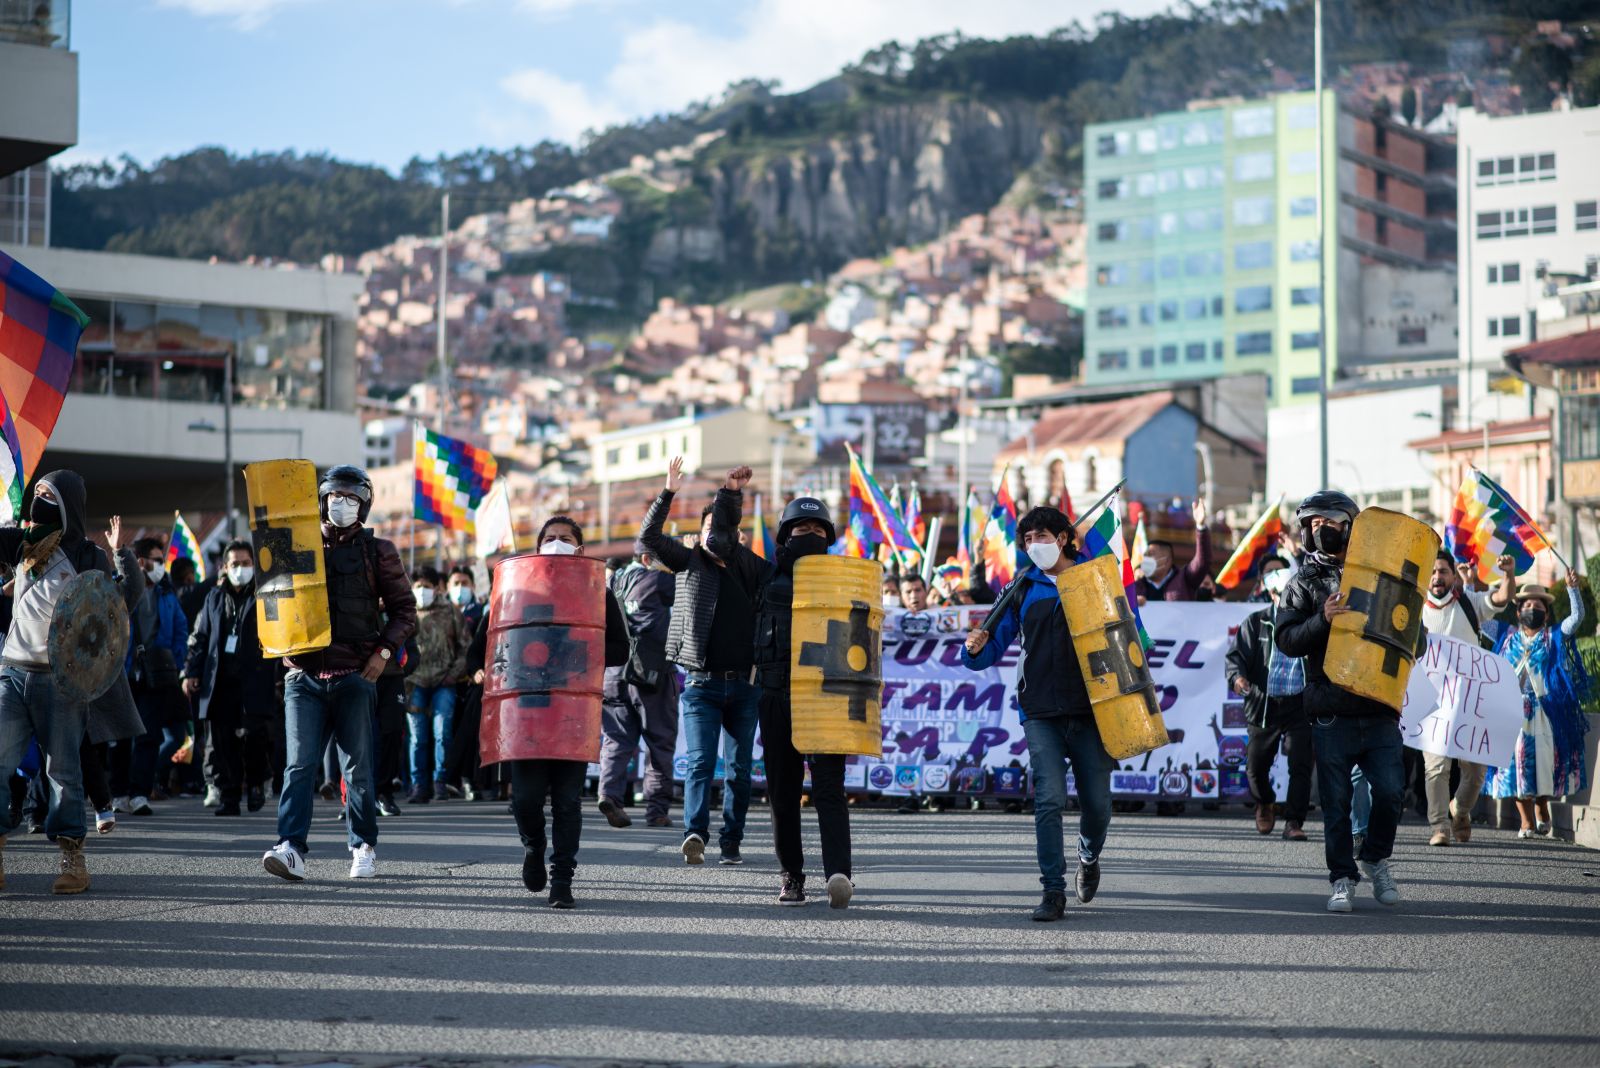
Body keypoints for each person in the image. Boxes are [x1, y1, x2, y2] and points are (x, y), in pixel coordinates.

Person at [262, 465, 416, 882]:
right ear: (322, 499)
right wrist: (280, 648)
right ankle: (290, 847)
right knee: (299, 766)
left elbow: (405, 611)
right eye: (334, 495)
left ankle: (362, 846)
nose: (341, 504)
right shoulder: (294, 545)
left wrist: (383, 653)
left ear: (364, 505)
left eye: (351, 497)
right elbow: (272, 603)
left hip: (355, 676)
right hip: (303, 677)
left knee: (357, 769)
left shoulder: (378, 550)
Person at [961, 506, 1111, 922]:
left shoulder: (1096, 577)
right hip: (1039, 710)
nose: (1033, 545)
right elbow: (991, 645)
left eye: (1041, 536)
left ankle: (1088, 854)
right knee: (1048, 800)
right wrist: (972, 649)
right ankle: (1053, 891)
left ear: (1063, 538)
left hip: (1092, 710)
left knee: (1097, 806)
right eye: (1026, 540)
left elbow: (1126, 633)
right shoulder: (1020, 587)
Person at [0, 474, 144, 895]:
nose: (38, 503)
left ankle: (71, 858)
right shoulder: (23, 544)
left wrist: (122, 555)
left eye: (48, 497)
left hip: (59, 684)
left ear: (69, 506)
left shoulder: (88, 556)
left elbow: (123, 602)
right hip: (10, 672)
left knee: (62, 771)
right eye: (37, 495)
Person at [718, 489, 855, 908]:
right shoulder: (762, 575)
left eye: (818, 529)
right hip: (776, 697)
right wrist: (731, 495)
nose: (809, 534)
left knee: (830, 789)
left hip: (828, 699)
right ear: (784, 535)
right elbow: (720, 543)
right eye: (801, 528)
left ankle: (838, 875)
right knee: (783, 793)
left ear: (829, 537)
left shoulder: (846, 579)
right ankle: (791, 877)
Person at [1275, 490, 1404, 913]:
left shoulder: (1382, 574)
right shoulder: (1302, 583)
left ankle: (1374, 857)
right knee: (1336, 805)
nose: (1319, 531)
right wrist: (1322, 619)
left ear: (1350, 525)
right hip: (1330, 710)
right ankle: (1342, 879)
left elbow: (1407, 629)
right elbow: (1287, 639)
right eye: (1312, 525)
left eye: (1328, 523)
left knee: (1390, 793)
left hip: (1380, 706)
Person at [636, 457, 761, 866]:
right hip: (702, 685)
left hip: (745, 686)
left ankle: (732, 841)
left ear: (737, 535)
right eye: (707, 529)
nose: (715, 536)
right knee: (702, 762)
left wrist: (731, 496)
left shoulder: (752, 568)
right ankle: (695, 833)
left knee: (740, 772)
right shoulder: (690, 562)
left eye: (721, 529)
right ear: (699, 535)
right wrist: (669, 490)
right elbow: (649, 536)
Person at [507, 516, 628, 908]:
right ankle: (533, 845)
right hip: (528, 709)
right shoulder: (519, 585)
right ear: (538, 545)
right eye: (549, 538)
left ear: (579, 549)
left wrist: (580, 658)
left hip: (573, 709)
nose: (556, 543)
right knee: (525, 800)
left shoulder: (598, 592)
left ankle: (562, 879)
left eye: (565, 539)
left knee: (567, 801)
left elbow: (620, 649)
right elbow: (489, 642)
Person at [1421, 550, 1514, 845]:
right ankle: (1439, 826)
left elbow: (1500, 599)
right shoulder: (1414, 608)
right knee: (1436, 767)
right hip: (1431, 702)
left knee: (1474, 773)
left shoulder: (1468, 602)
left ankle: (1460, 810)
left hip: (1470, 702)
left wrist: (1508, 575)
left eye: (1443, 571)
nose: (1437, 578)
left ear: (1453, 575)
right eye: (1433, 572)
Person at [1489, 574, 1590, 838]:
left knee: (1545, 767)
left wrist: (1572, 589)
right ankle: (1526, 821)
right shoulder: (1504, 635)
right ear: (1518, 610)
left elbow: (1576, 618)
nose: (1532, 610)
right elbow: (1478, 619)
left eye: (1538, 607)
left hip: (1546, 712)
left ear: (1546, 614)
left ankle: (1543, 807)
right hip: (1511, 713)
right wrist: (1472, 585)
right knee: (1513, 768)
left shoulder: (1554, 636)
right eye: (1527, 606)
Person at [182, 540, 277, 817]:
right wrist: (192, 672)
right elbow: (200, 637)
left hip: (254, 679)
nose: (240, 569)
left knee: (256, 737)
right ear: (225, 567)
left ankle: (257, 783)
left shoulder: (265, 595)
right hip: (220, 681)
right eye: (235, 564)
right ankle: (230, 796)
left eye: (246, 564)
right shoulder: (212, 597)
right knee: (223, 742)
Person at [1225, 557, 1312, 841]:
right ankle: (1265, 801)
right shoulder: (1256, 621)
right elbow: (1235, 657)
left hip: (1300, 703)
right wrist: (1237, 678)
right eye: (1281, 591)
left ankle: (1294, 822)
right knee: (1256, 767)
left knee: (1300, 763)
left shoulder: (1308, 620)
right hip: (1263, 704)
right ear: (1271, 592)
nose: (1286, 596)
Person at [597, 546, 678, 831]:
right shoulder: (658, 580)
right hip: (650, 673)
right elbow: (694, 585)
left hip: (613, 672)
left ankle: (609, 795)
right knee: (660, 742)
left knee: (616, 739)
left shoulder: (613, 581)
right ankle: (656, 810)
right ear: (646, 560)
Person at [110, 537, 190, 813]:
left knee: (150, 735)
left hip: (156, 674)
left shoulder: (166, 592)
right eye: (156, 560)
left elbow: (181, 627)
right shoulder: (120, 588)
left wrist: (173, 661)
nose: (161, 565)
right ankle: (118, 793)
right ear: (140, 562)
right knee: (121, 735)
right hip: (123, 671)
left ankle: (139, 793)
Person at [405, 565, 469, 804]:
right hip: (414, 682)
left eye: (427, 586)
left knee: (442, 732)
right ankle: (418, 785)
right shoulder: (405, 611)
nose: (422, 591)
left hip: (445, 681)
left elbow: (465, 647)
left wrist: (454, 674)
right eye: (418, 586)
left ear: (437, 588)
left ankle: (441, 782)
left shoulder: (450, 612)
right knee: (417, 737)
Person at [1135, 499, 1212, 603]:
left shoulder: (1185, 579)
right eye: (1145, 555)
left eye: (1151, 555)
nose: (1145, 559)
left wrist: (1201, 527)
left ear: (1166, 561)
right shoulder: (1136, 585)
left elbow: (1202, 562)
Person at [446, 565, 484, 633]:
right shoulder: (440, 613)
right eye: (456, 583)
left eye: (464, 583)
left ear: (473, 586)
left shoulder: (482, 612)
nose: (460, 587)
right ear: (448, 587)